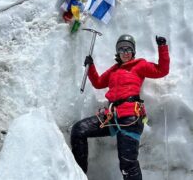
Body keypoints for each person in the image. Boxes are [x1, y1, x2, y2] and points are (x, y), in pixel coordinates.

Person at [71, 34, 170, 180]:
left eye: (128, 49)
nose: (125, 52)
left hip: (131, 116)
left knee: (127, 165)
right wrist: (90, 66)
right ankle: (77, 176)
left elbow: (162, 70)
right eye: (122, 49)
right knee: (79, 130)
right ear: (118, 52)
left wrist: (162, 47)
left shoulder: (139, 65)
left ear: (133, 52)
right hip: (112, 116)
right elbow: (98, 82)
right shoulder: (113, 70)